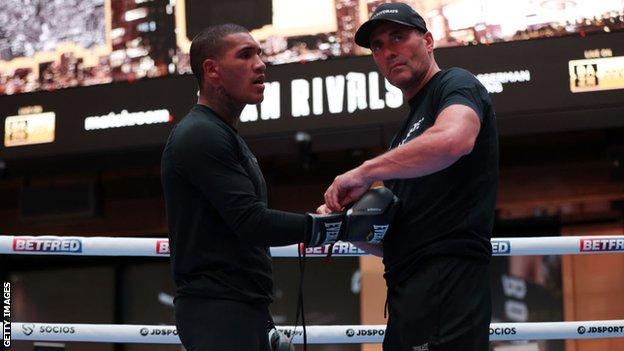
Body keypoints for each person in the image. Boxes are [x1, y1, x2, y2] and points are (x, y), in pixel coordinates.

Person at [322, 3, 499, 350]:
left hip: (449, 286)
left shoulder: (456, 84)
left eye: (398, 37)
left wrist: (365, 171)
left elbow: (455, 139)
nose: (389, 52)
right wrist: (344, 225)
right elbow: (395, 241)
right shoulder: (404, 136)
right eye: (378, 46)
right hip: (407, 294)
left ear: (429, 41)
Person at [160, 24, 308, 351]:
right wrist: (327, 228)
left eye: (259, 53)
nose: (260, 64)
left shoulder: (223, 134)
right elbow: (252, 222)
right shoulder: (201, 134)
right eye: (245, 55)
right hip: (218, 312)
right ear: (211, 70)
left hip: (240, 308)